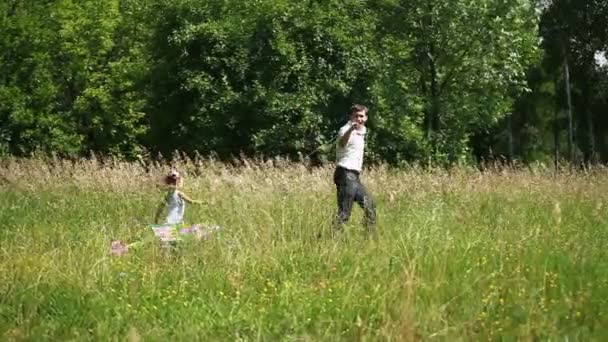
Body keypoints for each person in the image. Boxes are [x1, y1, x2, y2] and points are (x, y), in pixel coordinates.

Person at [333, 104, 377, 236]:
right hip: (345, 173)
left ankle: (368, 237)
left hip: (354, 176)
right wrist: (351, 129)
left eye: (361, 116)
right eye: (356, 116)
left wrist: (356, 129)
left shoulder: (362, 131)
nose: (359, 118)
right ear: (351, 117)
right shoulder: (345, 129)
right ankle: (333, 241)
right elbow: (342, 143)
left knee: (370, 206)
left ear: (366, 118)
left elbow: (361, 130)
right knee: (345, 212)